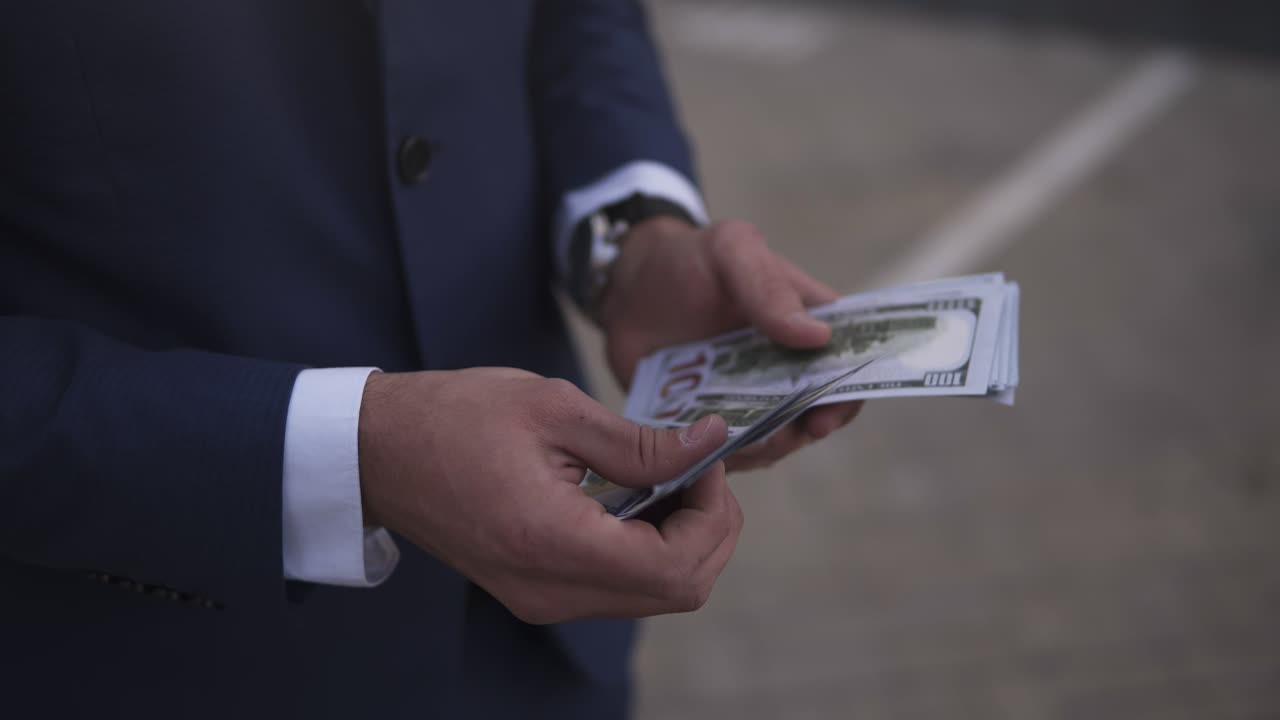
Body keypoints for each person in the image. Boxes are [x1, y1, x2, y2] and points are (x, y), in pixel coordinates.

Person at [0, 1, 860, 717]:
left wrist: (634, 236)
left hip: (543, 666)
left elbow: (579, 19)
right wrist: (350, 451)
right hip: (161, 661)